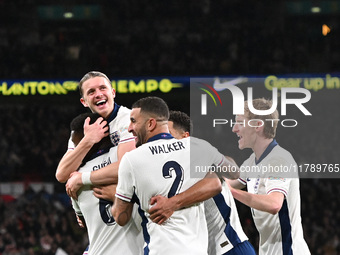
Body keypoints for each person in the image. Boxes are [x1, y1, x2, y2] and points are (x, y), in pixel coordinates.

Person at [111, 97, 239, 255]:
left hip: (160, 250)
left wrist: (115, 199)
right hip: (197, 251)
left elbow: (120, 217)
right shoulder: (196, 146)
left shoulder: (131, 160)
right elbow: (232, 173)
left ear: (150, 124)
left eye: (133, 121)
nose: (129, 128)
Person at [150, 110, 256, 255]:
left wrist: (214, 158)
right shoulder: (166, 172)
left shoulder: (198, 158)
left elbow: (232, 172)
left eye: (169, 134)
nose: (164, 140)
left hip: (231, 247)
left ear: (185, 137)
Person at [228, 98, 311, 255]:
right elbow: (227, 184)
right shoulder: (251, 161)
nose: (234, 129)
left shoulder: (279, 159)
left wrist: (230, 192)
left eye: (240, 122)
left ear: (258, 125)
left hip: (288, 251)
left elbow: (274, 204)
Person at [69, 112, 143, 255]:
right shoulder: (125, 157)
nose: (77, 147)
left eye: (77, 142)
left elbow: (82, 222)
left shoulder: (74, 178)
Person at [55, 71, 136, 199]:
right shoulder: (81, 128)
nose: (98, 94)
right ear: (84, 102)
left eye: (103, 88)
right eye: (91, 92)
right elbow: (62, 174)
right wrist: (88, 140)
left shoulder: (129, 119)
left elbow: (127, 167)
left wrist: (82, 178)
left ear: (113, 93)